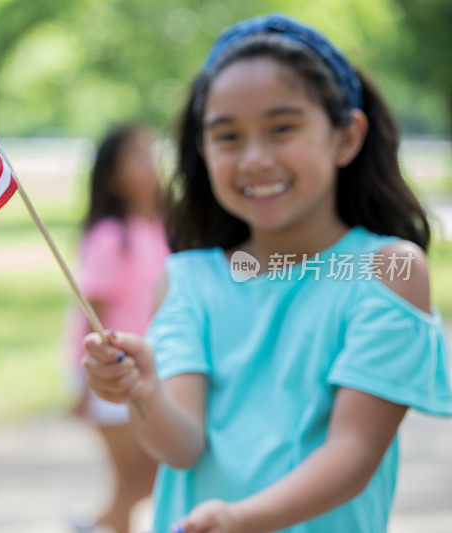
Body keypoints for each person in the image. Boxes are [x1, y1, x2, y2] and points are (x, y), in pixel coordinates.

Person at [82, 13, 452, 533]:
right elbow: (182, 446)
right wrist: (144, 392)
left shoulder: (386, 269)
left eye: (282, 129)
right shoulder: (187, 279)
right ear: (203, 151)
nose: (255, 159)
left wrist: (241, 519)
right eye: (228, 136)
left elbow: (353, 452)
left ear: (347, 136)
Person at [66, 124, 169, 533]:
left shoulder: (165, 227)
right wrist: (83, 385)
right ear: (112, 175)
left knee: (152, 476)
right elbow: (92, 313)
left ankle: (94, 523)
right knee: (133, 476)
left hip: (156, 368)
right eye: (136, 155)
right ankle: (104, 523)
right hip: (112, 369)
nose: (150, 162)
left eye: (152, 150)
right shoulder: (110, 236)